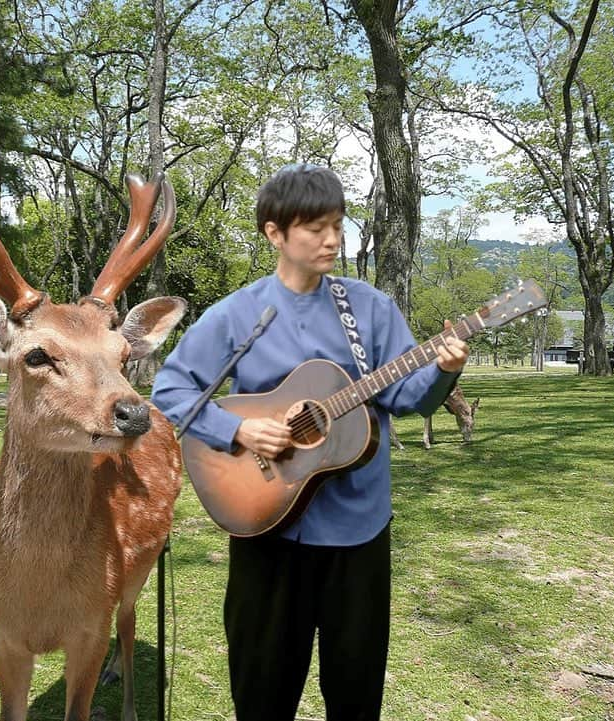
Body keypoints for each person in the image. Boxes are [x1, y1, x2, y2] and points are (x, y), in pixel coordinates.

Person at [150, 163, 469, 721]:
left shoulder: (368, 308)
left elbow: (409, 397)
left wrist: (445, 370)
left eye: (337, 226)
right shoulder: (236, 314)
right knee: (262, 691)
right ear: (275, 233)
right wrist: (238, 429)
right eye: (314, 228)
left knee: (355, 689)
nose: (331, 240)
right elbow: (171, 389)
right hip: (264, 524)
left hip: (357, 531)